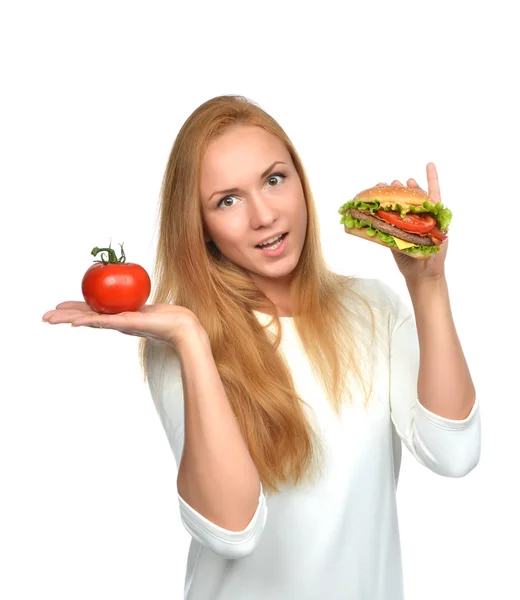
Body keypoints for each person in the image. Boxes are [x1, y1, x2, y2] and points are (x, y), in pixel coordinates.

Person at [41, 95, 481, 600]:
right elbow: (231, 531)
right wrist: (189, 337)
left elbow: (455, 453)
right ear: (200, 227)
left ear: (300, 180)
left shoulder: (372, 308)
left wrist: (428, 286)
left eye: (274, 180)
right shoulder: (189, 343)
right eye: (227, 200)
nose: (264, 216)